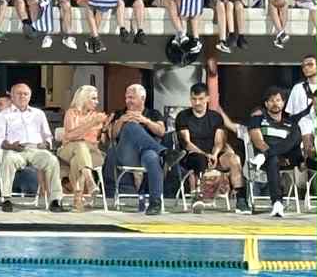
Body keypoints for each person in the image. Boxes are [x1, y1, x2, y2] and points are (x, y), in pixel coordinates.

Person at [0, 82, 66, 213]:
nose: (22, 96)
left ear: (30, 96)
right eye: (19, 94)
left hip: (36, 149)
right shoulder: (3, 115)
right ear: (12, 96)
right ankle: (6, 199)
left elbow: (47, 135)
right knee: (8, 160)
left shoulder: (38, 114)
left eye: (25, 94)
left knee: (52, 160)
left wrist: (46, 144)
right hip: (14, 150)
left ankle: (55, 200)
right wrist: (10, 146)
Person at [102, 83, 167, 215]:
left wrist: (145, 121)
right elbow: (112, 136)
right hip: (126, 154)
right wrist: (121, 121)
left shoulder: (153, 114)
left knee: (152, 157)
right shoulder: (119, 114)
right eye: (126, 98)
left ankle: (155, 203)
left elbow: (161, 131)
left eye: (131, 98)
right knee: (131, 126)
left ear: (142, 98)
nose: (128, 101)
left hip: (146, 154)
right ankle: (164, 152)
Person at [175, 84, 242, 211]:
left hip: (213, 156)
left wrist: (215, 154)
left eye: (200, 99)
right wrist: (206, 155)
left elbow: (219, 141)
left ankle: (241, 199)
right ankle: (198, 196)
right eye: (194, 99)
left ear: (207, 98)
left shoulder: (215, 117)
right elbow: (187, 143)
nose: (197, 102)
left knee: (234, 159)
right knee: (200, 158)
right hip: (192, 155)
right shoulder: (183, 116)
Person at [247, 87, 311, 218]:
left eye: (278, 100)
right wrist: (273, 154)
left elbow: (293, 145)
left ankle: (264, 157)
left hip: (285, 158)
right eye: (271, 101)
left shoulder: (291, 123)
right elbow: (258, 141)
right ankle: (277, 203)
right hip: (269, 161)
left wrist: (267, 154)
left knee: (295, 134)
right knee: (273, 159)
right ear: (266, 104)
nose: (275, 103)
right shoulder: (257, 119)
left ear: (283, 103)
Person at [58, 85, 107, 212]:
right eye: (93, 98)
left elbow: (89, 138)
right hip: (68, 149)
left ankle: (78, 197)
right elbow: (70, 136)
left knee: (78, 158)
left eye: (97, 99)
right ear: (84, 98)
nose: (97, 102)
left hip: (92, 153)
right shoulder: (71, 113)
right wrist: (92, 123)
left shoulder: (97, 116)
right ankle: (90, 181)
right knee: (80, 145)